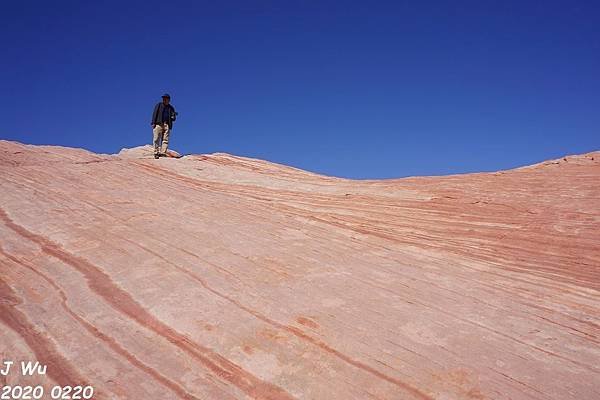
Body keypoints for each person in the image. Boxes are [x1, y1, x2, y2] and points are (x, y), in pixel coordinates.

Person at [151, 94, 178, 159]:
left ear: (169, 100)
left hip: (167, 124)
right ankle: (156, 152)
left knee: (165, 139)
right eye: (164, 98)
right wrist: (153, 122)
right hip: (158, 123)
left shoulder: (171, 108)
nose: (164, 99)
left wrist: (174, 116)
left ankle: (163, 152)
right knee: (156, 138)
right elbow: (155, 113)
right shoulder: (159, 105)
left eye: (166, 98)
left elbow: (173, 119)